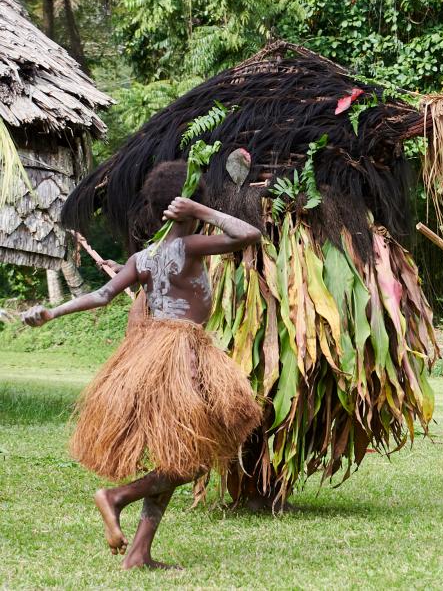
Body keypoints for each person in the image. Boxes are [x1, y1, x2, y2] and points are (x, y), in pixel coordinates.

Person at [22, 160, 263, 569]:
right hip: (183, 354)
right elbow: (249, 235)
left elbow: (101, 295)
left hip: (149, 354)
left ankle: (138, 554)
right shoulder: (188, 246)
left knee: (174, 454)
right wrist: (202, 212)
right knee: (202, 454)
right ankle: (117, 496)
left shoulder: (143, 256)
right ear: (187, 205)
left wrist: (53, 313)